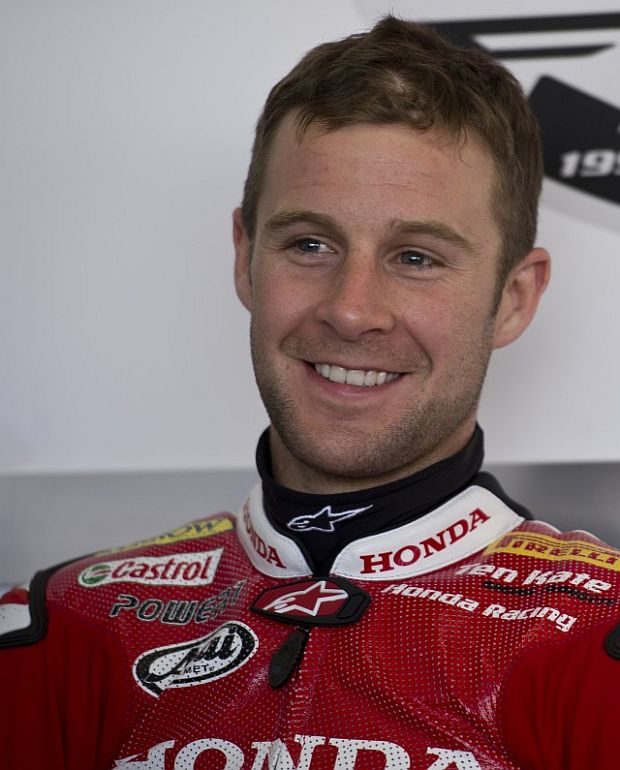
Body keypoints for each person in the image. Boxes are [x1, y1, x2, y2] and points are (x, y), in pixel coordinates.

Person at [0, 15, 618, 770]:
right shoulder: (65, 624)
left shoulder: (597, 637)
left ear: (514, 299)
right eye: (310, 245)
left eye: (416, 257)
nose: (350, 311)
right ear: (245, 259)